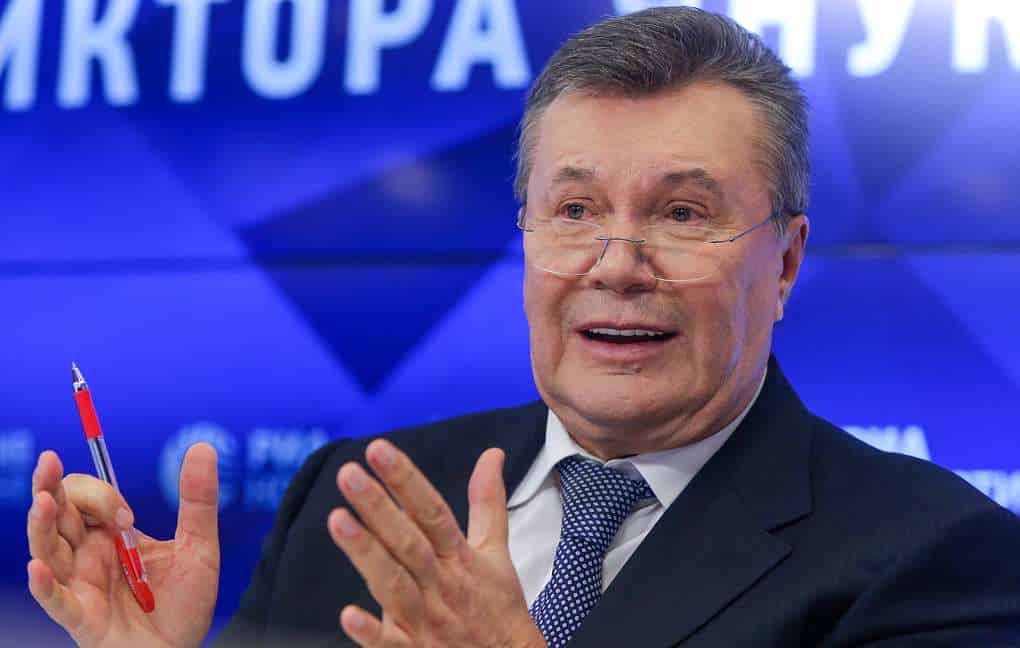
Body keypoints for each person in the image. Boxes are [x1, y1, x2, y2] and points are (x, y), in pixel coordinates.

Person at [26, 7, 1020, 648]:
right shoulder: (356, 495)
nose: (616, 264)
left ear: (787, 261)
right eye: (576, 210)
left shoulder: (934, 556)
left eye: (682, 213)